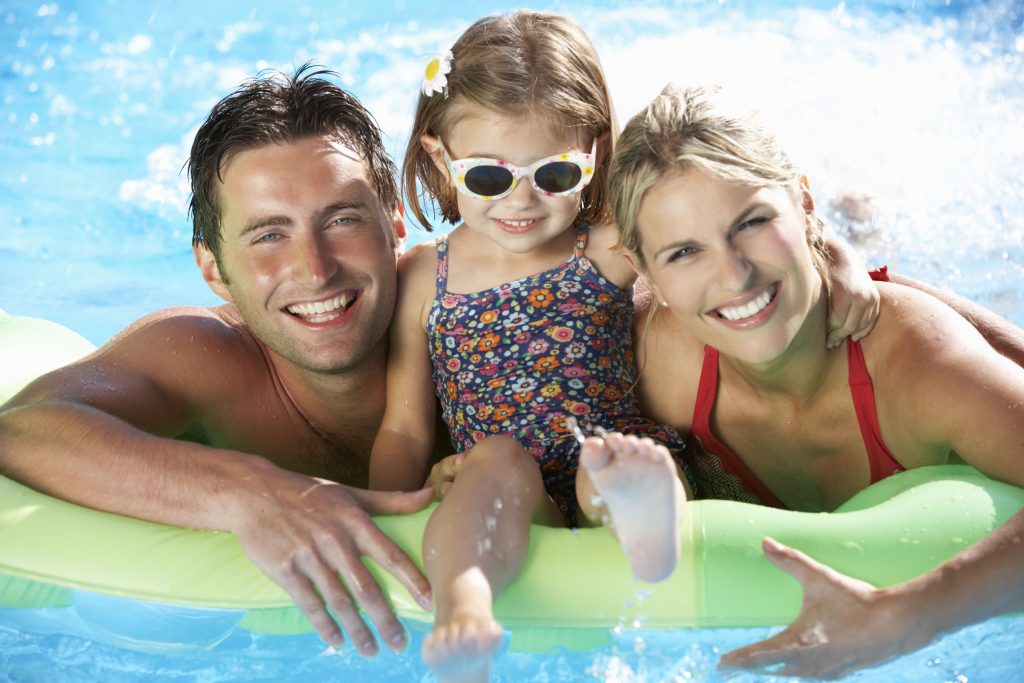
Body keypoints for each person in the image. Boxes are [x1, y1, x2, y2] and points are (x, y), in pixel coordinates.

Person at [366, 11, 878, 682]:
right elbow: (404, 427)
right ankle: (466, 607)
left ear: (596, 156)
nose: (520, 201)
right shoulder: (421, 276)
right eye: (489, 178)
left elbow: (733, 221)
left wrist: (841, 257)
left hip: (611, 460)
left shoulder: (605, 243)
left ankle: (651, 537)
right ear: (439, 156)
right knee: (492, 460)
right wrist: (386, 515)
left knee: (610, 463)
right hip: (502, 489)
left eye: (553, 176)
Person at [0, 65, 435, 657]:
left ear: (397, 227)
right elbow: (25, 430)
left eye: (341, 220)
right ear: (213, 270)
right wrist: (250, 493)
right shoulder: (205, 358)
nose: (316, 269)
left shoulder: (477, 335)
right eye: (267, 235)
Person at [607, 83, 1024, 677]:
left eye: (751, 222)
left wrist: (905, 616)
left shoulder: (915, 364)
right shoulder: (654, 360)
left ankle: (860, 219)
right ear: (640, 267)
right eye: (682, 253)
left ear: (804, 204)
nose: (733, 274)